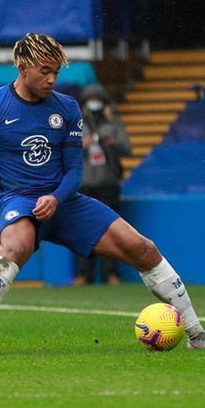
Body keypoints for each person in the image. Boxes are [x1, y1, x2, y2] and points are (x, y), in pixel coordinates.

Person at [0, 32, 205, 356]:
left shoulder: (67, 109)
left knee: (142, 248)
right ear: (23, 66)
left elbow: (75, 171)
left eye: (56, 72)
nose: (52, 79)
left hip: (65, 200)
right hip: (19, 200)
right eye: (45, 71)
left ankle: (197, 333)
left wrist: (56, 198)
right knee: (15, 246)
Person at [74, 83, 131, 285]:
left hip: (108, 182)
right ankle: (83, 273)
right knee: (82, 229)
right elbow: (64, 148)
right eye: (90, 100)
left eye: (97, 100)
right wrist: (81, 145)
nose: (94, 103)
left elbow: (127, 148)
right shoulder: (77, 123)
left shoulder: (113, 122)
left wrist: (112, 144)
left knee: (111, 228)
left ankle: (111, 273)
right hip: (83, 182)